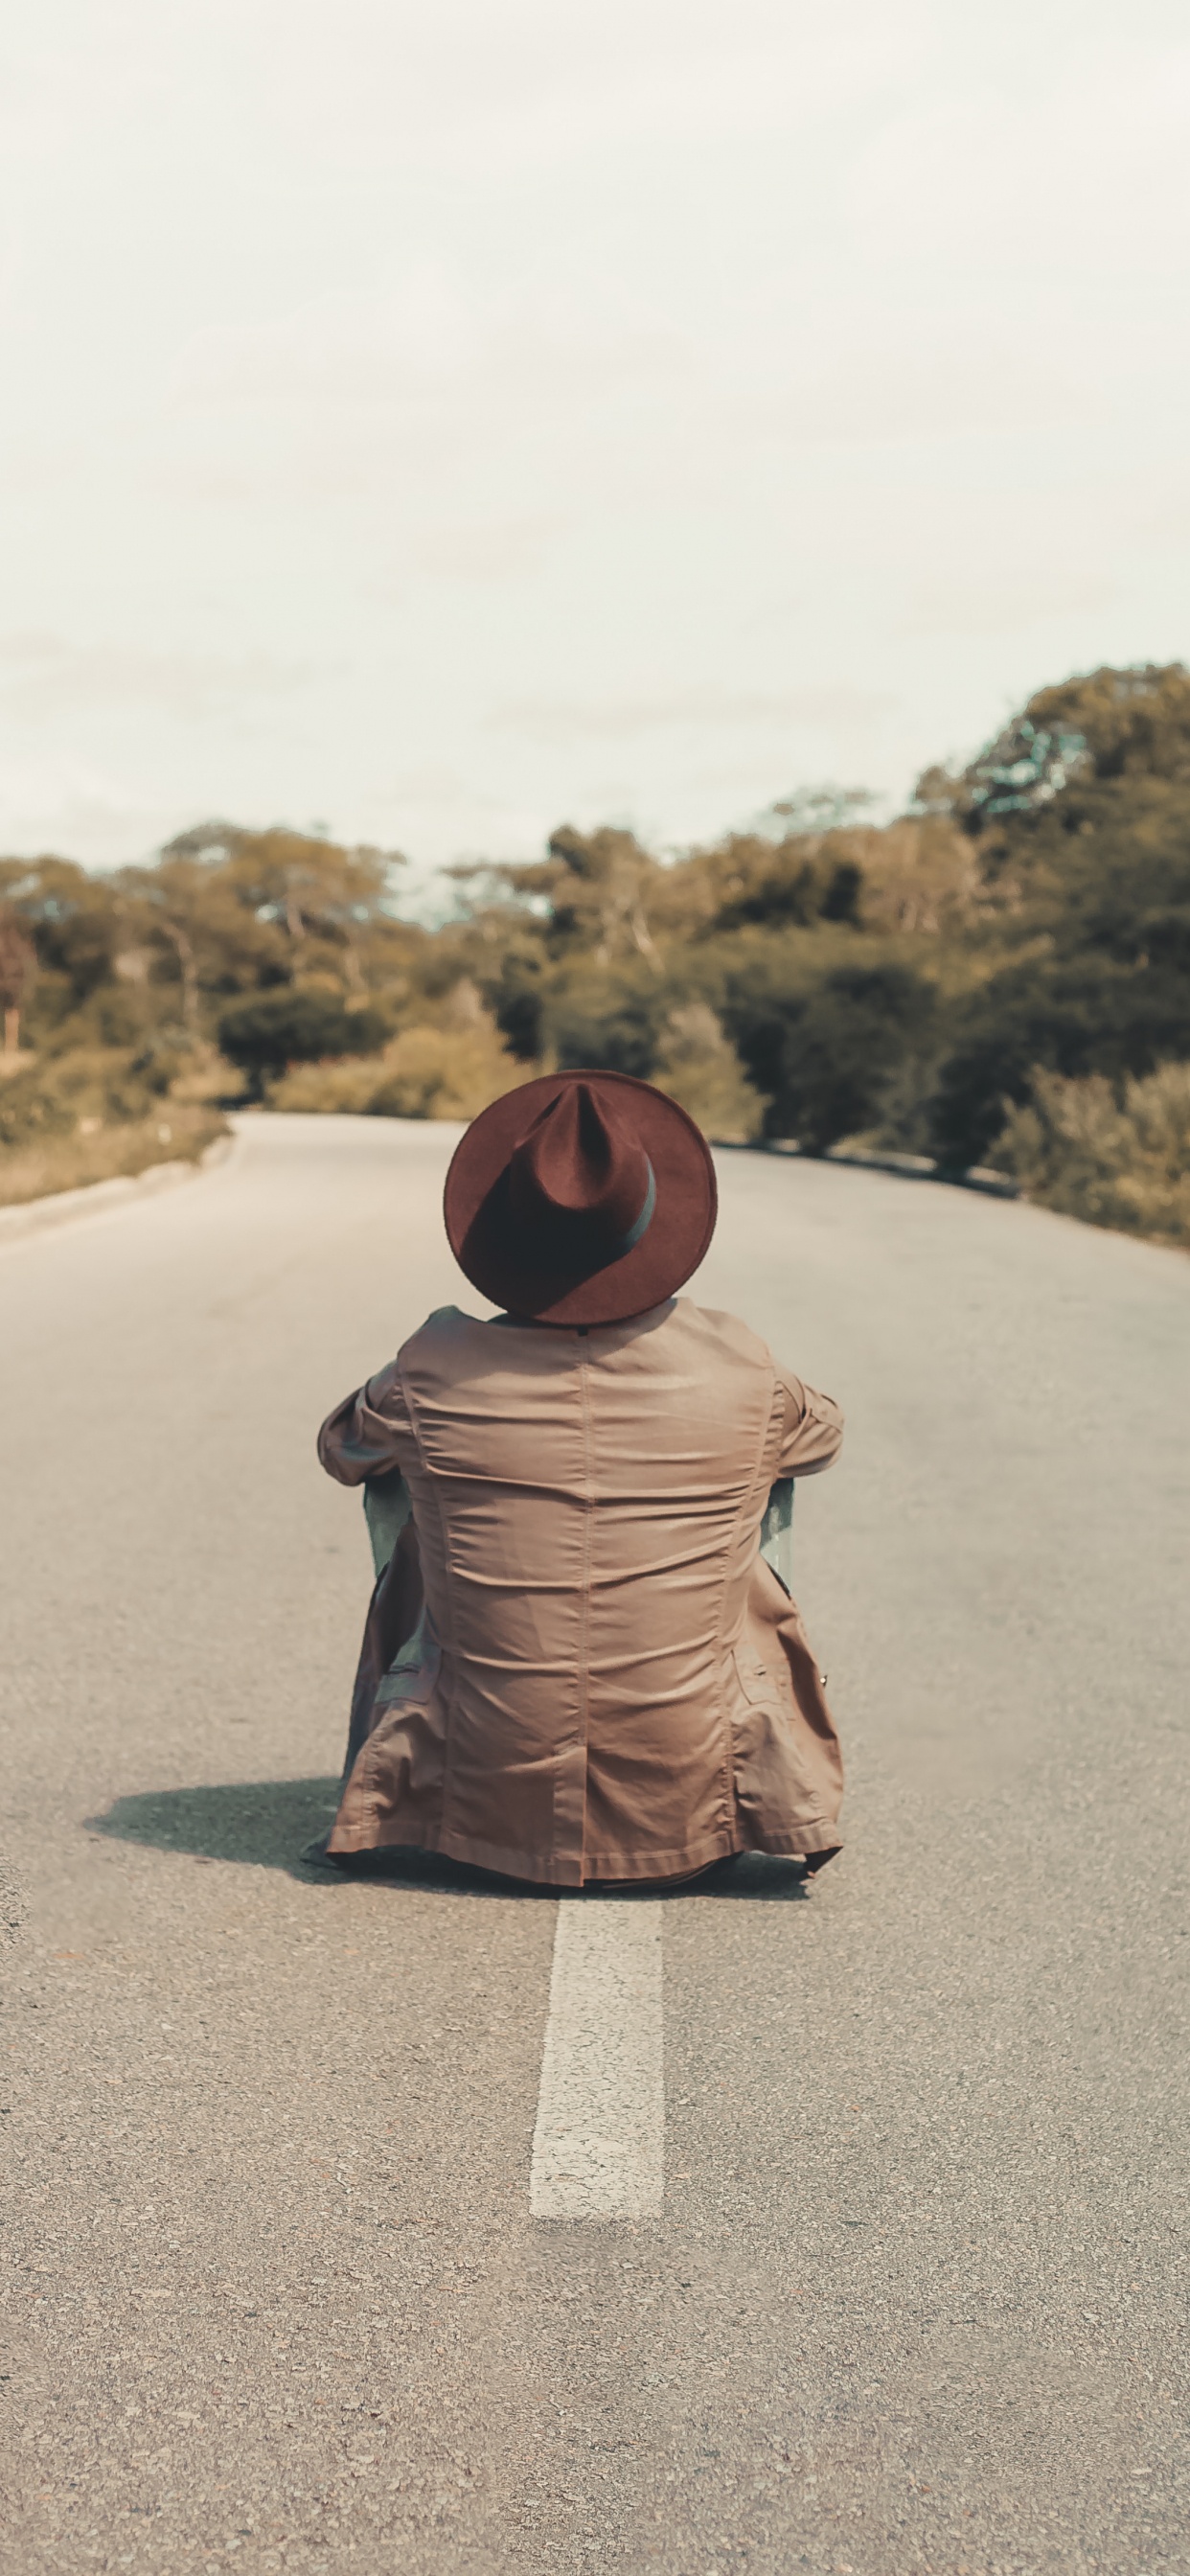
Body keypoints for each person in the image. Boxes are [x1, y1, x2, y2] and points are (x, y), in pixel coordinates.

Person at [315, 1069, 843, 1889]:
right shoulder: (742, 1363)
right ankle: (743, 1736)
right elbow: (826, 1432)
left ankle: (425, 1725)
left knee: (399, 1477)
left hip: (483, 1805)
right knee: (767, 1475)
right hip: (687, 1807)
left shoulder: (431, 1366)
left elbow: (340, 1449)